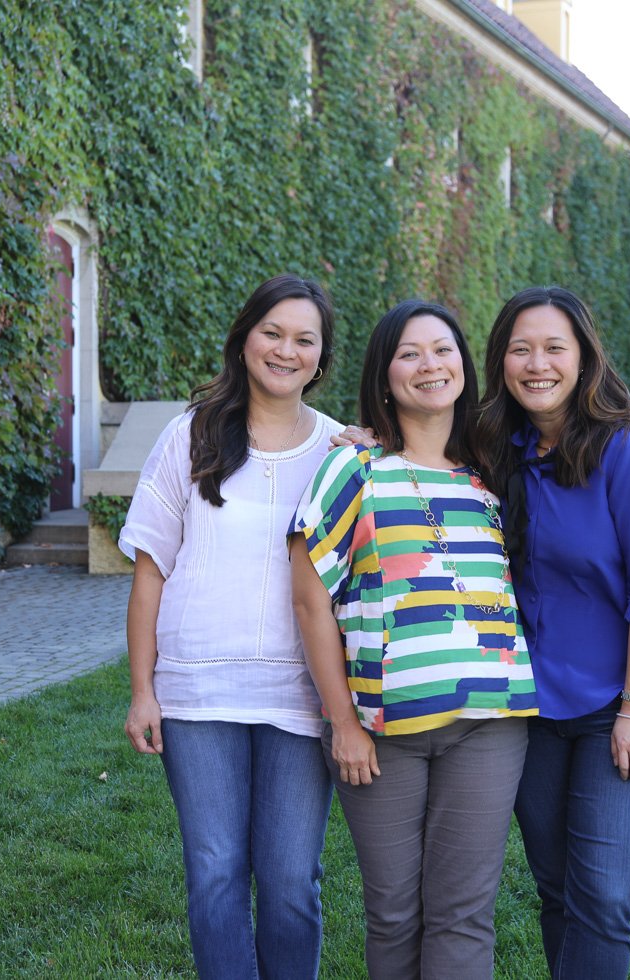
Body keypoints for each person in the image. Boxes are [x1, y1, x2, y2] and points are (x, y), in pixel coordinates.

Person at [289, 300, 538, 980]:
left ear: (464, 362)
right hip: (381, 730)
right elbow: (311, 604)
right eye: (409, 353)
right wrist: (342, 721)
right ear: (385, 372)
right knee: (394, 912)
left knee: (463, 913)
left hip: (489, 722)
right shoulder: (354, 470)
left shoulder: (494, 472)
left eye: (443, 349)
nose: (430, 364)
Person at [119, 274, 343, 980]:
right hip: (197, 693)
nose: (286, 350)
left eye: (304, 339)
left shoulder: (344, 451)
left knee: (290, 885)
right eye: (272, 332)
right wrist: (142, 690)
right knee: (215, 874)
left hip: (301, 698)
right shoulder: (189, 435)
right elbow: (150, 570)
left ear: (321, 356)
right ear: (245, 337)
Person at [472, 285, 630, 980]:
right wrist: (363, 438)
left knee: (601, 897)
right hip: (533, 705)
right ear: (501, 360)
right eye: (520, 348)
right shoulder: (500, 451)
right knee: (556, 889)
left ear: (585, 357)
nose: (538, 363)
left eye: (554, 347)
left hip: (620, 703)